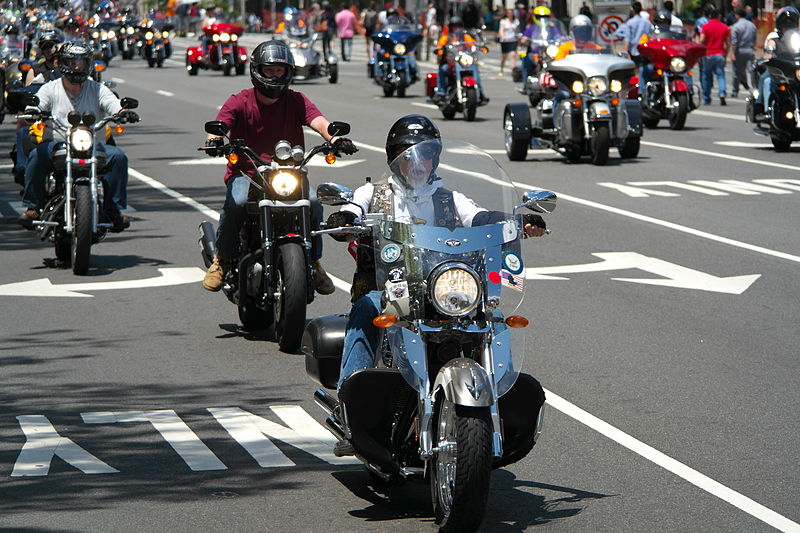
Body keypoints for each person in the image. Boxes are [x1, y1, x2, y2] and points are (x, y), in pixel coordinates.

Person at [328, 115, 547, 455]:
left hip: (443, 290)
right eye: (408, 153)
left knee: (490, 315)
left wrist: (517, 221)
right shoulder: (373, 192)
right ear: (394, 158)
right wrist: (345, 219)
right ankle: (346, 406)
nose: (418, 161)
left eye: (426, 153)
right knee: (366, 306)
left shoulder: (448, 198)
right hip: (391, 289)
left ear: (435, 158)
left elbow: (481, 217)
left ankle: (495, 400)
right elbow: (352, 209)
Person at [201, 40, 356, 294]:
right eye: (269, 69)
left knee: (315, 202)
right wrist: (215, 140)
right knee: (238, 201)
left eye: (279, 70)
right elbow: (222, 123)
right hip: (248, 174)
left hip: (289, 173)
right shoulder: (240, 101)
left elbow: (319, 121)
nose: (274, 75)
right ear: (257, 70)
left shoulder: (296, 100)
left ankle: (314, 262)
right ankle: (223, 260)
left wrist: (336, 139)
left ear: (288, 72)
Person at [17, 41, 138, 231]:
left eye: (82, 62)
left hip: (92, 145)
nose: (77, 67)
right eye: (72, 62)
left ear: (88, 64)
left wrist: (122, 112)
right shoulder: (51, 88)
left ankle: (113, 209)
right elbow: (37, 103)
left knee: (118, 157)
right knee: (36, 155)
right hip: (57, 144)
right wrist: (33, 111)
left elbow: (111, 102)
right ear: (62, 63)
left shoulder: (97, 88)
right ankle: (33, 207)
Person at [754, 7, 799, 118]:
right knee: (767, 80)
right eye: (785, 25)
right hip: (780, 71)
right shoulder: (773, 38)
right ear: (779, 25)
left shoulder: (797, 38)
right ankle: (764, 110)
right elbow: (769, 51)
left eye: (791, 24)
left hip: (795, 71)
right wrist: (769, 55)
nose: (788, 28)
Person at [434, 17, 486, 101]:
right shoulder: (447, 37)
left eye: (458, 26)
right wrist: (439, 49)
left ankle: (480, 92)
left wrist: (478, 47)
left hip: (463, 61)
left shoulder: (464, 37)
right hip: (451, 62)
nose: (456, 28)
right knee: (443, 69)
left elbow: (472, 44)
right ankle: (441, 92)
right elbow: (440, 45)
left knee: (475, 69)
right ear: (450, 27)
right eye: (454, 26)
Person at [699, 7, 730, 105]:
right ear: (719, 16)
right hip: (720, 54)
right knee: (720, 75)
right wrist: (726, 54)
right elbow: (727, 43)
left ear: (709, 16)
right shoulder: (724, 27)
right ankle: (722, 93)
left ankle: (707, 97)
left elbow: (701, 40)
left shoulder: (705, 26)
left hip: (708, 54)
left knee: (706, 76)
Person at [730, 8, 756, 98]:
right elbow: (754, 38)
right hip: (749, 49)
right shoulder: (752, 25)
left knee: (737, 72)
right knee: (750, 71)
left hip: (739, 50)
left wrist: (732, 53)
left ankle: (735, 90)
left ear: (737, 16)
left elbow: (734, 42)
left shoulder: (736, 26)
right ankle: (752, 89)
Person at [498, 9, 519, 77]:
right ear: (506, 14)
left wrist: (516, 30)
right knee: (504, 57)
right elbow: (501, 30)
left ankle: (513, 70)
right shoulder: (503, 21)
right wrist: (502, 36)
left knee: (513, 55)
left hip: (513, 40)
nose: (510, 14)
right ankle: (501, 68)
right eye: (508, 13)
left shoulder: (516, 21)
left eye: (511, 13)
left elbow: (518, 31)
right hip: (505, 41)